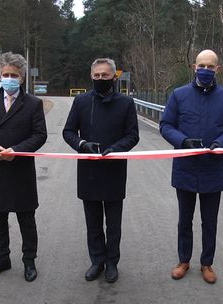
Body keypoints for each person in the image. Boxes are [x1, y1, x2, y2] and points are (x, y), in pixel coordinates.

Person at [160, 49, 223, 284]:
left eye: (210, 66)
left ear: (218, 69)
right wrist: (183, 141)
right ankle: (183, 260)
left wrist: (221, 143)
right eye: (201, 65)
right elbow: (166, 125)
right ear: (194, 67)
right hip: (185, 166)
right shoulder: (179, 95)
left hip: (212, 168)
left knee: (210, 220)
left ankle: (207, 263)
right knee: (184, 219)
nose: (205, 70)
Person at [0, 52, 47, 282]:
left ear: (22, 77)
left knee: (26, 220)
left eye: (13, 75)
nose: (9, 78)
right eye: (5, 74)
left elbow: (39, 135)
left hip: (21, 168)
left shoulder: (33, 103)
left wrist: (17, 150)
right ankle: (2, 258)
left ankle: (29, 261)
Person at [63, 58, 139, 283]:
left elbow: (133, 135)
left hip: (114, 169)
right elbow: (68, 131)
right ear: (91, 76)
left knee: (113, 223)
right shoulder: (81, 101)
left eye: (105, 76)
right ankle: (97, 260)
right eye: (96, 76)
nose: (100, 79)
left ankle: (112, 262)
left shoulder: (126, 103)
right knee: (93, 222)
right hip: (89, 171)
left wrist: (115, 149)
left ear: (114, 77)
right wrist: (82, 144)